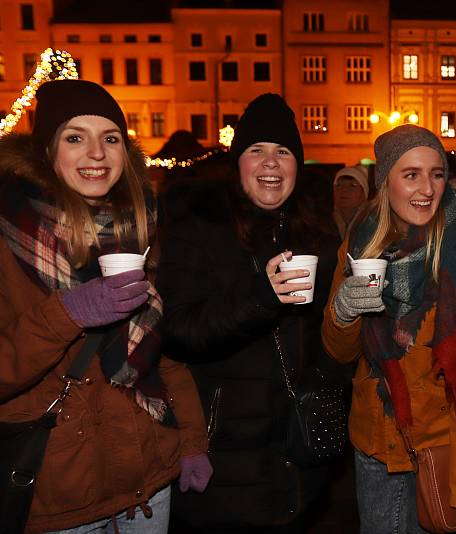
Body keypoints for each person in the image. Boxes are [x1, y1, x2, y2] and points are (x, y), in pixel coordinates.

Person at [0, 79, 209, 533]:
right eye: (75, 137)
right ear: (46, 152)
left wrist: (192, 441)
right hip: (57, 498)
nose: (96, 153)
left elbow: (162, 355)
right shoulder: (8, 237)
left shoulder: (138, 228)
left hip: (149, 484)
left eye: (110, 138)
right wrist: (66, 314)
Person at [156, 93, 340, 533]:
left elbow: (327, 341)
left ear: (297, 164)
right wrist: (260, 298)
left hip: (299, 449)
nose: (271, 163)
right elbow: (178, 331)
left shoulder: (318, 233)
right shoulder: (200, 228)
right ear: (238, 163)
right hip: (225, 455)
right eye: (256, 151)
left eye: (283, 152)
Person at [322, 125, 456, 534]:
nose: (427, 188)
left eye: (437, 173)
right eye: (411, 174)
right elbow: (339, 352)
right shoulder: (361, 236)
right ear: (386, 182)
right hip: (376, 445)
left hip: (441, 447)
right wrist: (344, 311)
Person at [333, 165, 369, 238]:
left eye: (353, 185)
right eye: (339, 185)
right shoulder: (323, 223)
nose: (344, 189)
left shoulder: (372, 223)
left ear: (364, 193)